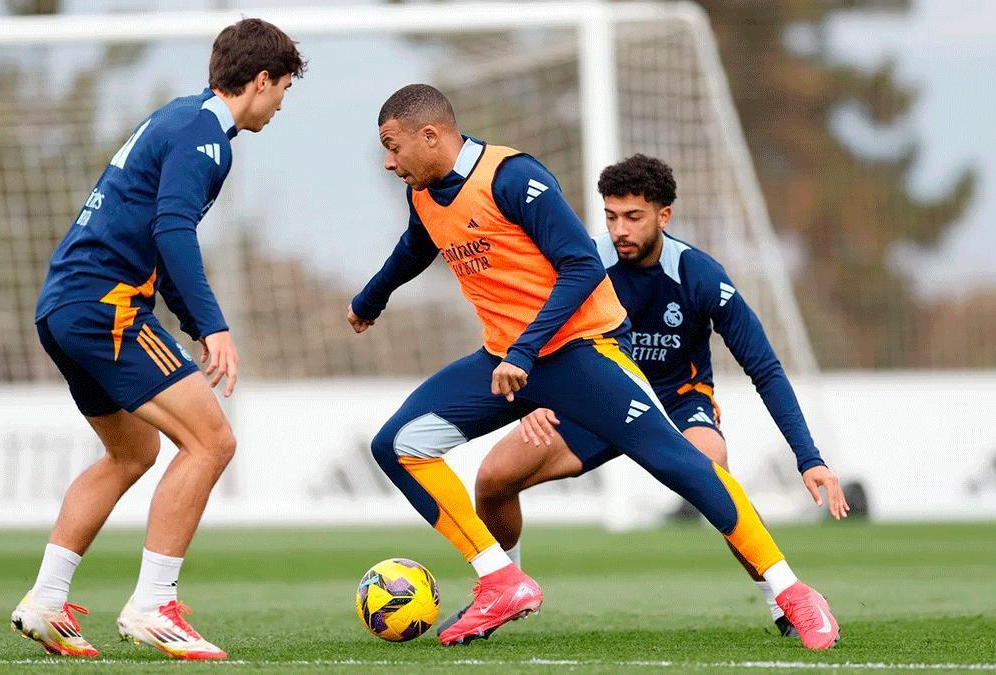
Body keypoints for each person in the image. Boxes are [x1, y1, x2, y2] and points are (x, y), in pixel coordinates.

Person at [348, 84, 841, 649]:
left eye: (392, 147)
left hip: (582, 352)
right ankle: (500, 581)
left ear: (430, 135)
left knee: (688, 464)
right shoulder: (423, 195)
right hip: (508, 360)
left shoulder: (512, 177)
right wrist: (370, 299)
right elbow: (416, 248)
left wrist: (524, 352)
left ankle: (791, 593)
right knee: (399, 445)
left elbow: (581, 266)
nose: (388, 162)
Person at [12, 18, 305, 660]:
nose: (282, 104)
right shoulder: (207, 138)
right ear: (261, 80)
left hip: (64, 305)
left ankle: (46, 600)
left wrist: (195, 324)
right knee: (212, 440)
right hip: (105, 308)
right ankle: (153, 605)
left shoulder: (179, 117)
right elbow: (173, 232)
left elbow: (159, 238)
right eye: (284, 89)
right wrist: (216, 325)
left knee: (131, 453)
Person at [466, 154, 849, 638]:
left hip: (676, 406)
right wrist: (536, 398)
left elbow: (765, 369)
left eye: (633, 217)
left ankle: (782, 601)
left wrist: (808, 458)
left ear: (663, 215)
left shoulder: (700, 276)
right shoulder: (583, 265)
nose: (619, 230)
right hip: (594, 401)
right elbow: (531, 334)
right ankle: (505, 592)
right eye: (611, 216)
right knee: (493, 479)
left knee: (713, 470)